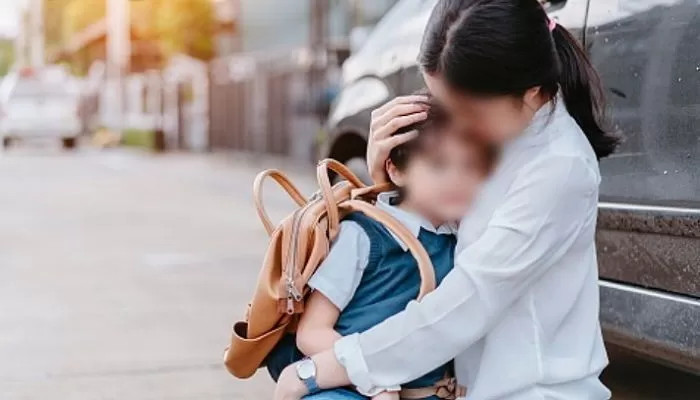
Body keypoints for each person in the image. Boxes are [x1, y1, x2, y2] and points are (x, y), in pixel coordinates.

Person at [273, 0, 621, 399]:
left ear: (530, 90)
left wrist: (326, 368)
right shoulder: (501, 135)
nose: (452, 124)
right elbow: (439, 241)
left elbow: (467, 302)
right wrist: (390, 180)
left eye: (466, 110)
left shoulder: (559, 168)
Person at [265, 96, 495, 400]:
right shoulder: (363, 235)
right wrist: (372, 380)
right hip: (349, 387)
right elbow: (312, 333)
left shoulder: (462, 238)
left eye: (468, 166)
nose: (457, 180)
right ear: (396, 170)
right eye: (439, 165)